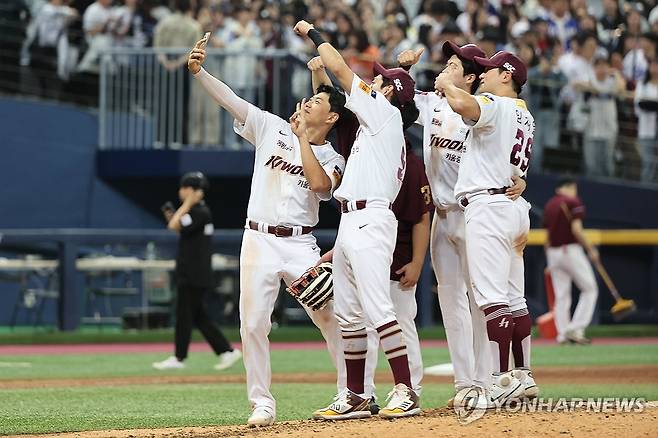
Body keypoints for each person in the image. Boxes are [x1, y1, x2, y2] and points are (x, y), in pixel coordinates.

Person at [188, 34, 348, 427]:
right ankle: (262, 402)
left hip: (300, 243)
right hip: (258, 238)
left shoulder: (333, 156)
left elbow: (321, 186)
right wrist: (199, 72)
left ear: (330, 118)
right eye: (309, 98)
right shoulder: (271, 127)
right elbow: (232, 100)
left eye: (318, 101)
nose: (308, 102)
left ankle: (352, 392)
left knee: (329, 316)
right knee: (253, 323)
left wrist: (300, 141)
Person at [294, 19, 421, 420]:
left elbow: (339, 66)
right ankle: (355, 396)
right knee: (349, 315)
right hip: (352, 220)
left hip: (370, 218)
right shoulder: (375, 126)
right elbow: (332, 92)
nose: (376, 83)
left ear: (390, 96)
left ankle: (405, 389)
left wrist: (312, 33)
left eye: (383, 81)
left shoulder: (383, 113)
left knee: (379, 309)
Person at [398, 42, 529, 407]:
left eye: (453, 64)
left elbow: (508, 157)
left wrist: (520, 179)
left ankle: (490, 383)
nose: (445, 66)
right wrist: (405, 71)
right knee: (451, 301)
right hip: (442, 215)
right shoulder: (436, 104)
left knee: (482, 302)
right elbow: (402, 103)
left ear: (471, 77)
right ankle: (465, 383)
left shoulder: (485, 109)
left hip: (475, 213)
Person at [435, 50, 537, 404]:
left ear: (506, 75)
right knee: (515, 298)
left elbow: (469, 108)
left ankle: (495, 383)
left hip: (488, 206)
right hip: (513, 207)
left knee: (492, 300)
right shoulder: (527, 115)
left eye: (491, 70)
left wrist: (447, 83)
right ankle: (523, 375)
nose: (483, 75)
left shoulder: (497, 102)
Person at [153, 172, 242, 372]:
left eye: (184, 188)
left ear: (192, 191)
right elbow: (179, 228)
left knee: (185, 315)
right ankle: (226, 351)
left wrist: (187, 204)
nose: (180, 192)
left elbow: (173, 224)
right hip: (193, 272)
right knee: (198, 316)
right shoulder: (196, 213)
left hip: (193, 273)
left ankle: (179, 357)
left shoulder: (199, 211)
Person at [543, 178, 599, 345]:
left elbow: (547, 237)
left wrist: (549, 261)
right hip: (570, 250)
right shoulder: (573, 201)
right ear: (570, 187)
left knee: (562, 295)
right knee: (590, 289)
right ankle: (575, 329)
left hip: (553, 252)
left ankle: (562, 334)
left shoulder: (550, 205)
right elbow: (576, 229)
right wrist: (591, 249)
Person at [634, 57, 658, 183]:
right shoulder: (642, 84)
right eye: (653, 64)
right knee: (648, 163)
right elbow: (639, 106)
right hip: (647, 129)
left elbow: (646, 104)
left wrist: (651, 104)